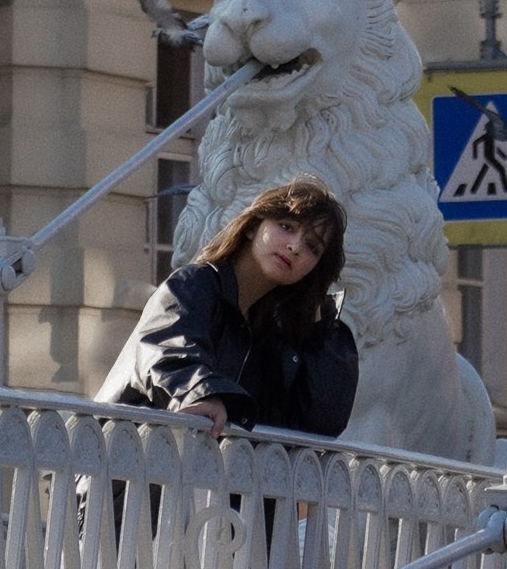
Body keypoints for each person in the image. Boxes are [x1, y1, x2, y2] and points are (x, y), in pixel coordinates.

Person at [98, 178, 358, 441]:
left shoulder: (271, 337)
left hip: (190, 477)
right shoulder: (193, 286)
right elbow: (166, 351)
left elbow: (319, 423)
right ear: (252, 227)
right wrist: (202, 392)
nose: (295, 247)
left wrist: (318, 326)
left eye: (312, 247)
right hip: (115, 470)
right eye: (286, 227)